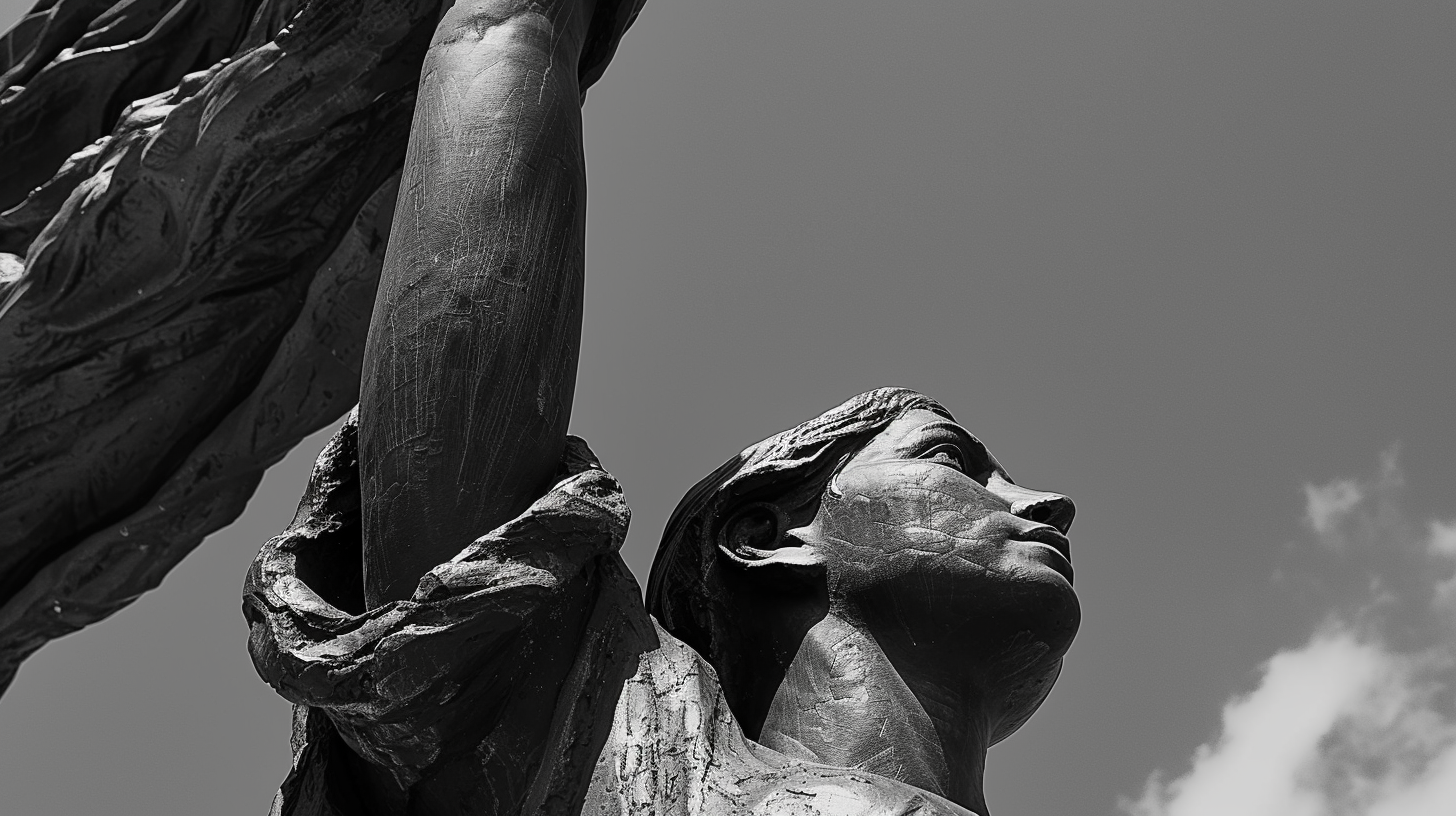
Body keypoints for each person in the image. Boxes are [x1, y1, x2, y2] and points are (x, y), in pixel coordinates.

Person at [244, 2, 1080, 815]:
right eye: (949, 458)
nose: (1045, 500)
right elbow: (457, 507)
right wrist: (524, 19)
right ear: (766, 536)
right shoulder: (603, 748)